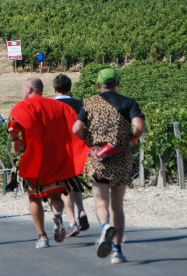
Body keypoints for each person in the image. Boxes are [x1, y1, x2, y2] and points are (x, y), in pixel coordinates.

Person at [72, 68, 145, 264]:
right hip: (121, 157)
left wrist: (89, 140)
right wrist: (130, 138)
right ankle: (117, 251)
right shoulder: (129, 102)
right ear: (118, 84)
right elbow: (139, 127)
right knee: (117, 205)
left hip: (98, 158)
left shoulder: (89, 103)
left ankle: (104, 226)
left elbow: (76, 128)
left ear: (98, 85)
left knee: (100, 202)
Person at [8, 78, 89, 249]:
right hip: (56, 159)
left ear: (29, 88)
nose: (22, 92)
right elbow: (75, 128)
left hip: (34, 160)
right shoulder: (60, 107)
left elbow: (12, 128)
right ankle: (57, 215)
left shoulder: (23, 106)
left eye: (23, 88)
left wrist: (16, 140)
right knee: (55, 195)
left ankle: (42, 236)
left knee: (34, 198)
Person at [52, 74, 88, 237]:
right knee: (75, 183)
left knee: (64, 188)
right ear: (70, 88)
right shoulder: (80, 104)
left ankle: (72, 222)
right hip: (78, 150)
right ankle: (81, 211)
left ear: (54, 89)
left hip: (59, 151)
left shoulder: (50, 105)